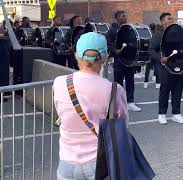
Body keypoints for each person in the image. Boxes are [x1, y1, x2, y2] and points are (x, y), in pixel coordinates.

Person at [53, 32, 129, 180]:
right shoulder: (114, 89)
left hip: (66, 163)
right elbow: (122, 127)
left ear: (76, 55)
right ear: (105, 58)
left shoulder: (59, 83)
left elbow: (61, 113)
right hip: (99, 164)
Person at [149, 13, 183, 125]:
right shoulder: (159, 34)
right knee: (165, 90)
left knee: (178, 89)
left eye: (172, 18)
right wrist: (160, 58)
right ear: (162, 22)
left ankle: (176, 114)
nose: (171, 20)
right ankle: (162, 114)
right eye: (168, 18)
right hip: (165, 67)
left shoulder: (178, 33)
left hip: (179, 65)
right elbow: (151, 50)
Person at [107, 10, 142, 112]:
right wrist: (115, 50)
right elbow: (108, 43)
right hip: (119, 60)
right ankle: (116, 104)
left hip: (129, 59)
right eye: (123, 16)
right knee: (118, 82)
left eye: (125, 16)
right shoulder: (112, 30)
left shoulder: (128, 29)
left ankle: (130, 102)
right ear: (117, 18)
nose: (125, 18)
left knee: (130, 81)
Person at [144, 23, 160, 89]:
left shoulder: (148, 34)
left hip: (149, 53)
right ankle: (157, 83)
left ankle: (146, 82)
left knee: (147, 68)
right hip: (156, 53)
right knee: (157, 68)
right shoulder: (157, 34)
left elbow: (146, 44)